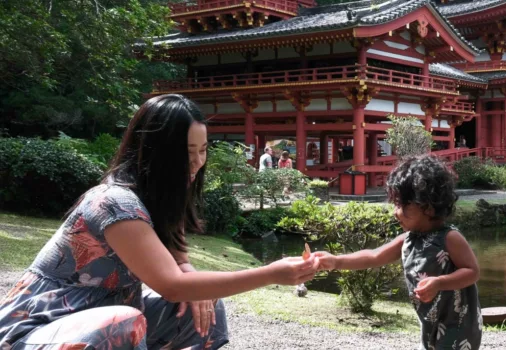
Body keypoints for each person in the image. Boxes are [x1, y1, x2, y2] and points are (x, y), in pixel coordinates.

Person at [0, 94, 319, 349]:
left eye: (203, 150)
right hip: (34, 331)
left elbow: (181, 265)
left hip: (98, 319)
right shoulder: (115, 203)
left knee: (206, 308)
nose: (197, 162)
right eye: (186, 152)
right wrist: (271, 273)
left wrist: (197, 282)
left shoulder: (165, 196)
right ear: (155, 151)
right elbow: (171, 285)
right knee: (121, 323)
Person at [316, 155, 482, 350]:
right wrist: (336, 261)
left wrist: (439, 282)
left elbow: (472, 272)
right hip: (429, 320)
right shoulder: (409, 238)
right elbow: (374, 256)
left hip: (458, 325)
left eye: (401, 205)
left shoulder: (449, 238)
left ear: (427, 207)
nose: (395, 212)